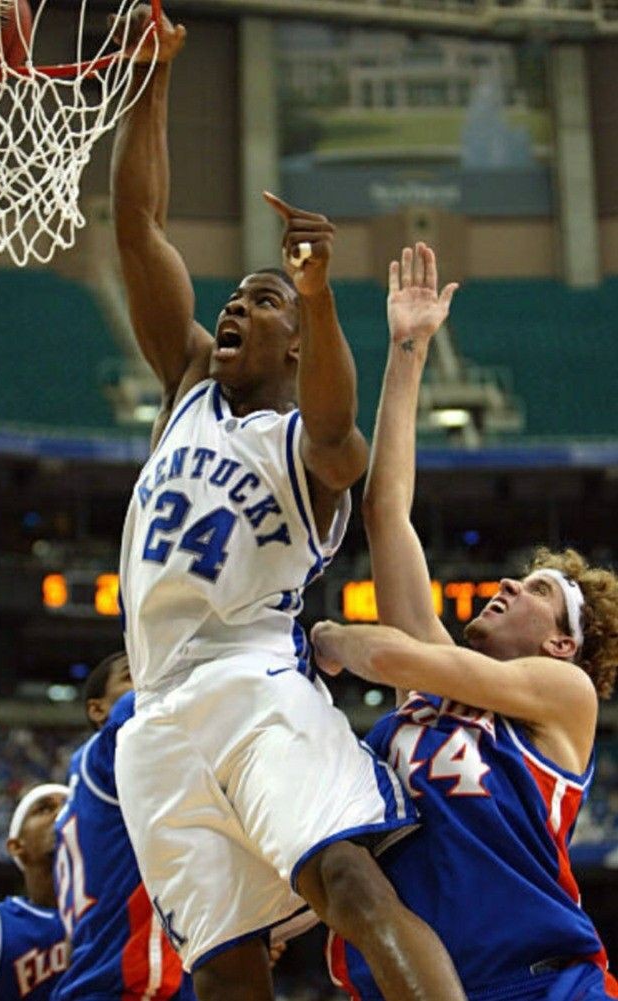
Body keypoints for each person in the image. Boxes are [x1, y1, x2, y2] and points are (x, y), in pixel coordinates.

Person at [110, 13, 466, 1001]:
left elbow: (344, 424)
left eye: (259, 302)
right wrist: (152, 79)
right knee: (224, 966)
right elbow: (137, 226)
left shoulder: (309, 448)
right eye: (235, 296)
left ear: (299, 342)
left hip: (251, 679)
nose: (234, 306)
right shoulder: (185, 380)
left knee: (348, 878)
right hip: (156, 713)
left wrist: (315, 291)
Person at [311, 243, 618, 1001]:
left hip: (544, 984)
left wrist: (338, 639)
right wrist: (409, 349)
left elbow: (406, 661)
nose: (511, 580)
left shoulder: (562, 695)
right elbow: (386, 514)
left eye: (540, 588)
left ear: (562, 640)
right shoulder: (434, 685)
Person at [52, 651, 195, 1000]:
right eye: (133, 675)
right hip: (122, 984)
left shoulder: (91, 797)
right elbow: (138, 707)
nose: (147, 680)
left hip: (117, 977)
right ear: (97, 709)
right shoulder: (101, 758)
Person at [0, 784, 69, 1001]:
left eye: (70, 807)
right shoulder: (1, 932)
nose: (62, 814)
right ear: (16, 846)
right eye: (44, 809)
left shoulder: (112, 915)